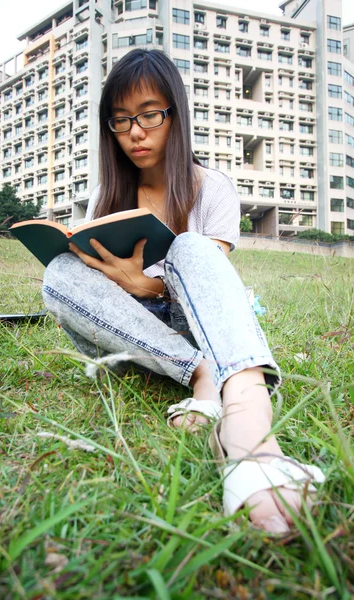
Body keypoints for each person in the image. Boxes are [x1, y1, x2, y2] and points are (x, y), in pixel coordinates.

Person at [42, 48, 324, 534]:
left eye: (150, 114)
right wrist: (121, 283)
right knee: (58, 275)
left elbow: (207, 281)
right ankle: (199, 374)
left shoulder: (212, 187)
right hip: (136, 333)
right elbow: (97, 285)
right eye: (121, 120)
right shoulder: (104, 195)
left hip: (202, 322)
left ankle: (247, 423)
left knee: (193, 248)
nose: (135, 131)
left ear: (176, 113)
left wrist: (143, 281)